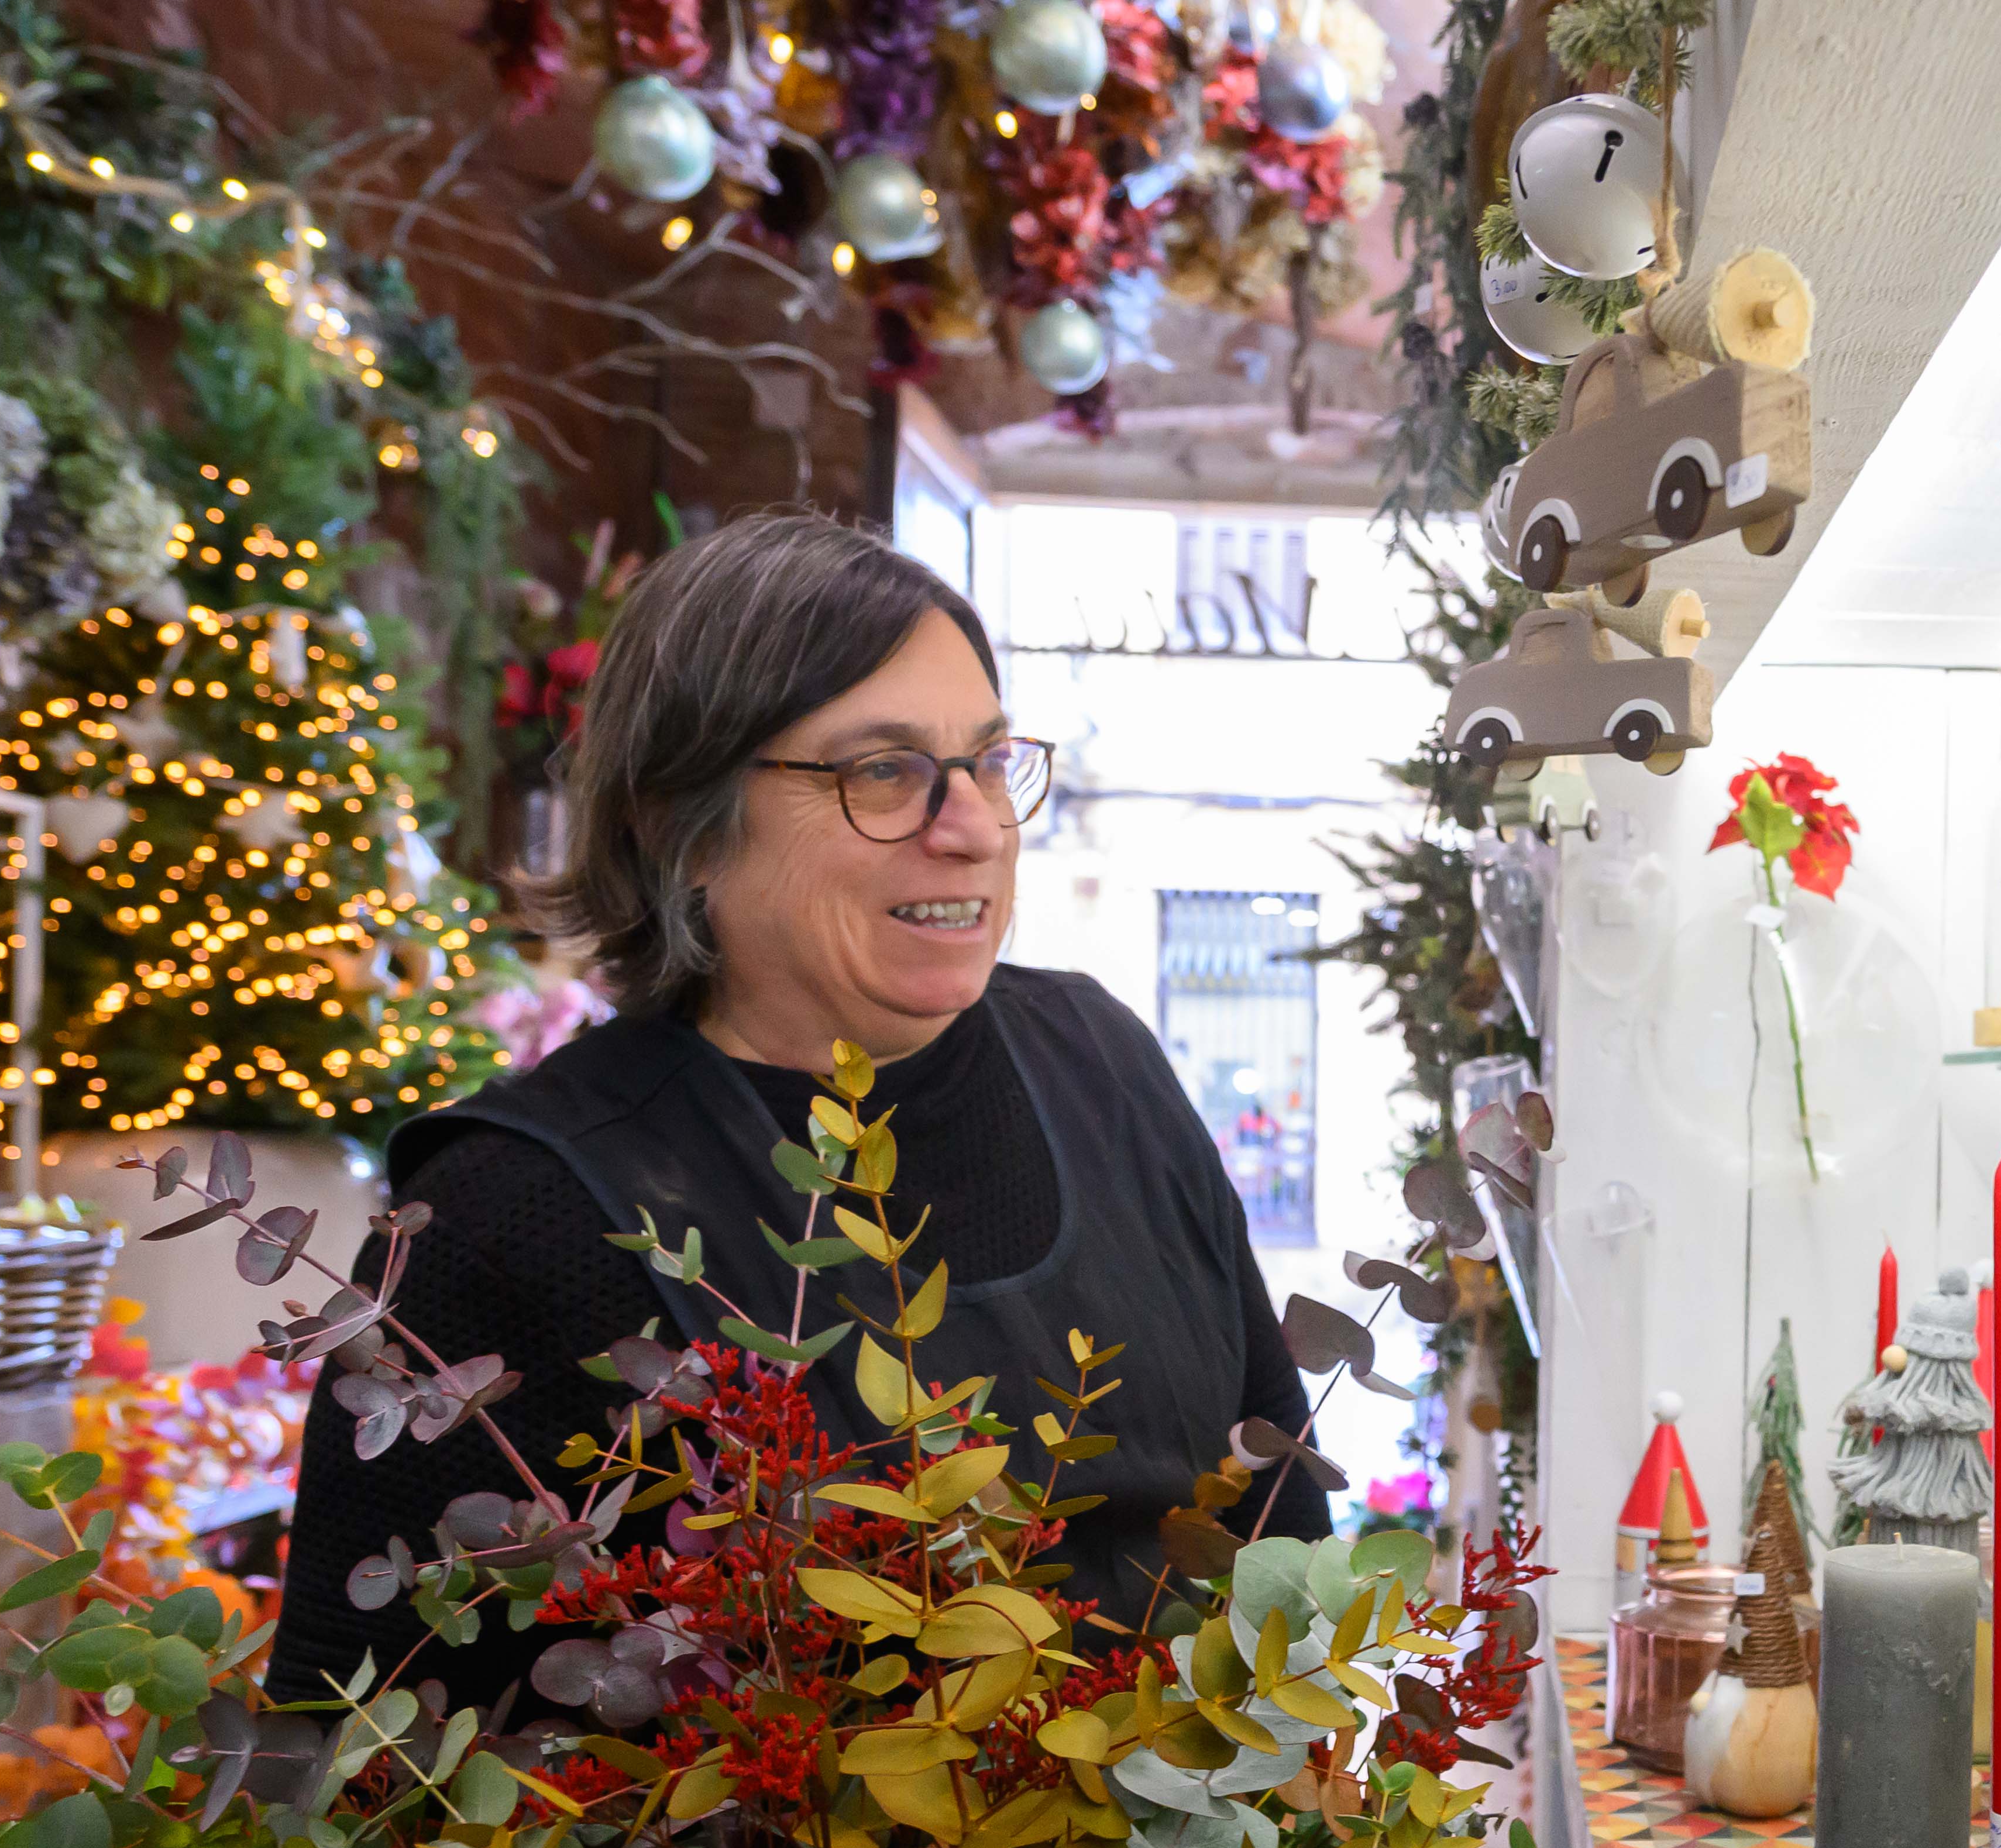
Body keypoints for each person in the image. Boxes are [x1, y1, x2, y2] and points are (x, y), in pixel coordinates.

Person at [275, 510, 1324, 1706]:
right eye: (884, 772)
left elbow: (1280, 1511)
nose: (975, 825)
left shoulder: (1105, 1060)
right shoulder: (516, 1212)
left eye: (988, 760)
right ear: (683, 826)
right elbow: (360, 1750)